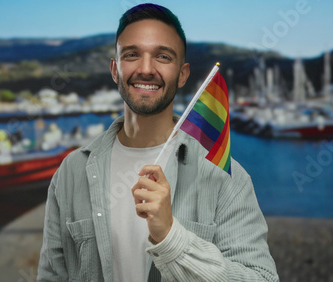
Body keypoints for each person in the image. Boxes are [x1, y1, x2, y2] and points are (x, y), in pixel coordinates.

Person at [37, 3, 278, 282]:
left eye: (163, 56)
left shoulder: (226, 178)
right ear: (115, 69)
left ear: (183, 74)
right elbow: (52, 276)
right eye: (132, 54)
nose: (146, 69)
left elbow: (262, 278)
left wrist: (171, 237)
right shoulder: (71, 172)